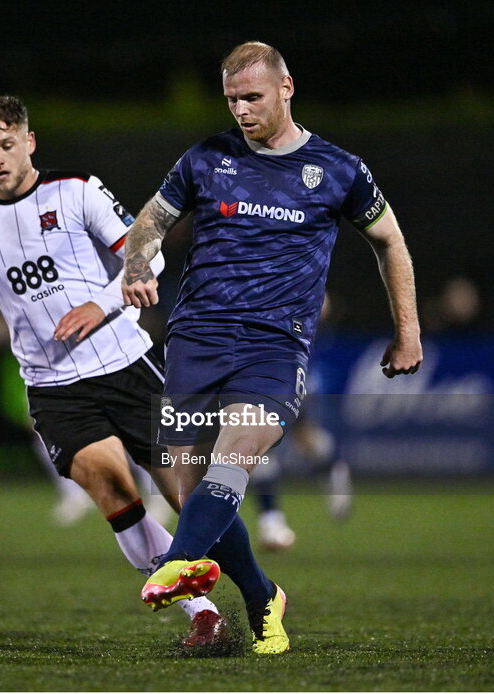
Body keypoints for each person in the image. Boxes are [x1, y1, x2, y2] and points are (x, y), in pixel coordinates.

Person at [121, 42, 422, 654]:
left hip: (273, 345)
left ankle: (178, 564)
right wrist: (135, 265)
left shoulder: (338, 170)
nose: (241, 110)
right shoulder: (206, 158)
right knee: (187, 486)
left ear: (287, 88)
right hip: (195, 340)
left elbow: (390, 241)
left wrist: (408, 332)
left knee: (240, 448)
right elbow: (150, 220)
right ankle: (263, 598)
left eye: (252, 97)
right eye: (232, 100)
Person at [0, 95, 224, 647]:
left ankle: (261, 594)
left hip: (126, 364)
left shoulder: (76, 191)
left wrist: (100, 306)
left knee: (188, 495)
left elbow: (147, 254)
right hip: (55, 390)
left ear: (29, 142)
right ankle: (203, 614)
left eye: (8, 144)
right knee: (114, 494)